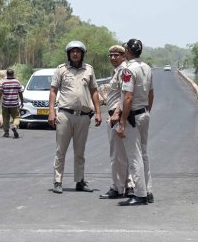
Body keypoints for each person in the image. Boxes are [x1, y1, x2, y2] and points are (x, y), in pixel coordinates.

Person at [48, 40, 102, 194]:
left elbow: (94, 91)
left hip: (83, 117)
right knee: (61, 150)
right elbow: (53, 90)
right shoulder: (61, 70)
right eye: (72, 51)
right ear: (69, 54)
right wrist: (51, 111)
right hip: (65, 115)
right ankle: (58, 181)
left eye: (78, 51)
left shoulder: (89, 70)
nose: (75, 54)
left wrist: (98, 112)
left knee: (80, 152)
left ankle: (80, 181)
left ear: (82, 54)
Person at [116, 39, 154, 206]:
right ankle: (148, 190)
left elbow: (128, 97)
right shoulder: (147, 68)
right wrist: (146, 112)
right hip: (144, 113)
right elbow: (151, 94)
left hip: (133, 117)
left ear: (127, 51)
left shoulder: (128, 70)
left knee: (134, 156)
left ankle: (140, 194)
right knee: (143, 154)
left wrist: (122, 121)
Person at [99, 45, 135, 199]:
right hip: (117, 116)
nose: (113, 58)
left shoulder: (123, 71)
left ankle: (117, 188)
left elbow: (126, 95)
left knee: (117, 156)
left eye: (116, 55)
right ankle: (129, 185)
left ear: (124, 56)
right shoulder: (118, 72)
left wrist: (117, 113)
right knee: (123, 155)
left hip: (117, 117)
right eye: (111, 55)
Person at [0, 69, 24, 139]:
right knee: (16, 117)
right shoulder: (17, 82)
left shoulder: (3, 82)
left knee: (5, 118)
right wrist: (22, 102)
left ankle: (6, 133)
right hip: (14, 104)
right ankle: (14, 126)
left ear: (7, 74)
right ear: (13, 74)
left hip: (5, 104)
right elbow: (20, 93)